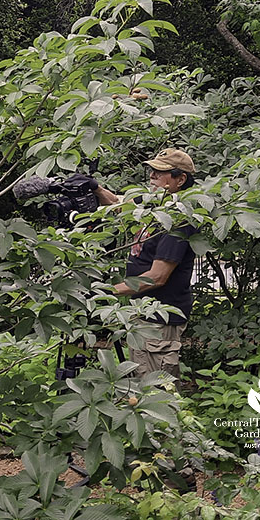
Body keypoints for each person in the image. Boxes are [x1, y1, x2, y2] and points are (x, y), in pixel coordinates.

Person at [91, 148, 199, 380]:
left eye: (160, 173)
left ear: (180, 179)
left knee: (156, 390)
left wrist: (106, 292)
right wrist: (95, 188)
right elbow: (120, 205)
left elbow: (157, 276)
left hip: (160, 320)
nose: (152, 176)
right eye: (151, 171)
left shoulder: (178, 220)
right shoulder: (153, 207)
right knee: (141, 382)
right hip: (143, 314)